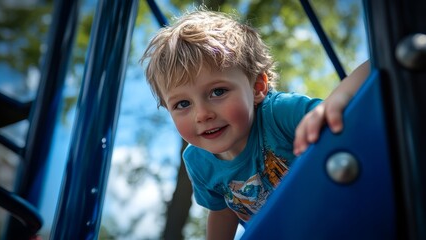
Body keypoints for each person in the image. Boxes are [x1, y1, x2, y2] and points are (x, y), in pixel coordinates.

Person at [140, 7, 369, 239]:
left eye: (217, 91)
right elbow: (222, 211)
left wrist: (341, 97)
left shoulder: (278, 114)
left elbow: (376, 66)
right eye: (182, 104)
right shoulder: (198, 162)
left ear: (257, 87)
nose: (202, 114)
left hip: (344, 216)